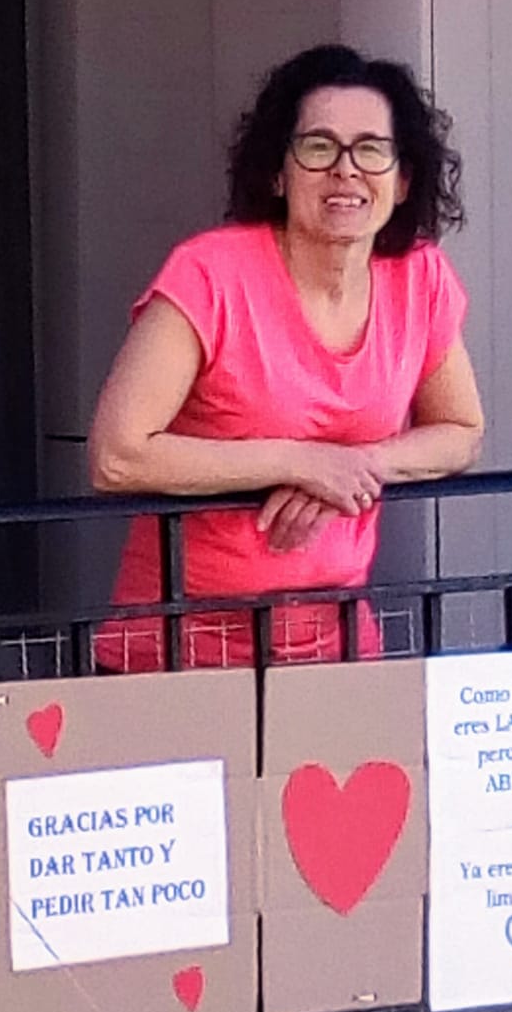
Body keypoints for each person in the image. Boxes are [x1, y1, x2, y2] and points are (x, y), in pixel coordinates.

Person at [88, 43, 484, 672]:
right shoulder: (210, 273)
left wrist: (355, 468)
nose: (347, 171)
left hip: (339, 642)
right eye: (318, 147)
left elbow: (462, 433)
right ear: (278, 171)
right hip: (177, 649)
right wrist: (300, 462)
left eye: (372, 149)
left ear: (404, 178)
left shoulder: (421, 278)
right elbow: (116, 454)